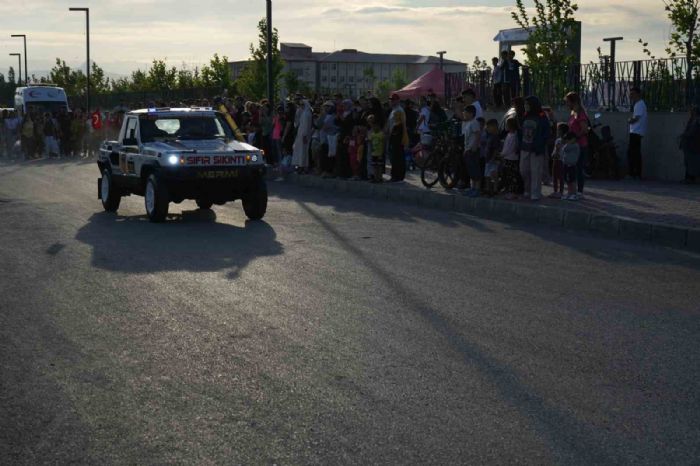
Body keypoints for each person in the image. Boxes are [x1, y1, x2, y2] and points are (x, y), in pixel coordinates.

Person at [519, 96, 550, 201]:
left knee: (536, 171)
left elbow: (546, 132)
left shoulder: (541, 116)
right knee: (524, 170)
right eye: (525, 104)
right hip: (525, 147)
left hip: (536, 148)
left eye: (527, 104)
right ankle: (527, 190)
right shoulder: (525, 116)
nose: (525, 106)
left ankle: (535, 193)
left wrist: (541, 144)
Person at [565, 92, 590, 197]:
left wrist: (575, 138)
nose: (567, 104)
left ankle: (579, 191)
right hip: (573, 145)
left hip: (580, 145)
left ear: (573, 102)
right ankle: (572, 190)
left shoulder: (580, 114)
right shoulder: (573, 113)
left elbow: (584, 130)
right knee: (571, 168)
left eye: (567, 102)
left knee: (579, 168)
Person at [387, 93, 408, 182]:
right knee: (395, 157)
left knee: (397, 157)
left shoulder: (399, 111)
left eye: (393, 100)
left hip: (397, 136)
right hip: (394, 136)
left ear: (397, 100)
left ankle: (397, 176)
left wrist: (392, 134)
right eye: (391, 100)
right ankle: (396, 175)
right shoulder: (394, 110)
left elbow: (399, 125)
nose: (391, 101)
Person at [628, 86, 647, 179]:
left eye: (633, 94)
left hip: (636, 131)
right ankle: (636, 173)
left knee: (633, 153)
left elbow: (637, 118)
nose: (631, 95)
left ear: (638, 94)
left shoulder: (639, 104)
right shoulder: (638, 104)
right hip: (636, 131)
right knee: (634, 153)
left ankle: (634, 174)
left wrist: (630, 120)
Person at [462, 105, 482, 197]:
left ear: (471, 113)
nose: (464, 114)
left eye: (465, 112)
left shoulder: (474, 122)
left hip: (473, 150)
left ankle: (477, 189)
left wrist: (474, 146)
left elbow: (478, 135)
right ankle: (472, 188)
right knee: (471, 170)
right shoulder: (468, 123)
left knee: (475, 169)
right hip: (468, 149)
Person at [501, 117, 520, 200]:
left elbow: (509, 148)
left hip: (511, 159)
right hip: (507, 158)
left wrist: (502, 154)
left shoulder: (514, 136)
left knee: (512, 176)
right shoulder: (509, 135)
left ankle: (513, 192)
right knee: (507, 176)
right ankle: (508, 190)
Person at [292, 99, 313, 173]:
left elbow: (307, 126)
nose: (301, 106)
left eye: (302, 105)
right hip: (300, 134)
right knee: (299, 150)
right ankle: (300, 165)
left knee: (304, 151)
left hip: (304, 135)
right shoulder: (303, 113)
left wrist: (305, 135)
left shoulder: (307, 114)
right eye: (300, 105)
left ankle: (303, 166)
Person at [681, 105, 700, 184]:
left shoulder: (697, 121)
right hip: (689, 145)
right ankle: (689, 178)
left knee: (692, 163)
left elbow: (692, 132)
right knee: (688, 162)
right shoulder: (692, 120)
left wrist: (685, 134)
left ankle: (691, 178)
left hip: (693, 145)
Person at [549, 123, 569, 199]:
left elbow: (562, 151)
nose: (557, 131)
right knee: (554, 176)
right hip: (555, 159)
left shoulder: (565, 141)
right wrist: (553, 154)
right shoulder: (557, 140)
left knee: (561, 177)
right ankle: (555, 191)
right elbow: (555, 150)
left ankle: (560, 192)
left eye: (558, 130)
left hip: (561, 160)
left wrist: (557, 151)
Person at [483, 119, 501, 197]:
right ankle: (487, 189)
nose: (487, 128)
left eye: (489, 127)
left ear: (494, 127)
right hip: (487, 159)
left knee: (494, 175)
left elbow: (496, 149)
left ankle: (495, 189)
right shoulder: (489, 136)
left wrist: (493, 158)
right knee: (487, 175)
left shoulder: (495, 137)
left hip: (493, 159)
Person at [561, 131, 581, 201]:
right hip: (566, 165)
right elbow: (563, 150)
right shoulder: (567, 145)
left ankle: (574, 194)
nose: (567, 141)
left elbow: (565, 148)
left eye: (569, 139)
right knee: (567, 180)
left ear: (573, 139)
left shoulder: (575, 146)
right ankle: (569, 193)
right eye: (566, 139)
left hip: (572, 165)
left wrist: (567, 143)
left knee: (572, 180)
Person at [367, 115, 385, 183]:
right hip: (374, 153)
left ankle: (379, 178)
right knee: (374, 165)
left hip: (379, 152)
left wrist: (382, 152)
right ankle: (375, 177)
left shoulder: (381, 134)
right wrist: (371, 150)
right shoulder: (372, 134)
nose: (375, 127)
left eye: (376, 126)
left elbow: (383, 143)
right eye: (374, 126)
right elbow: (371, 142)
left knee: (379, 166)